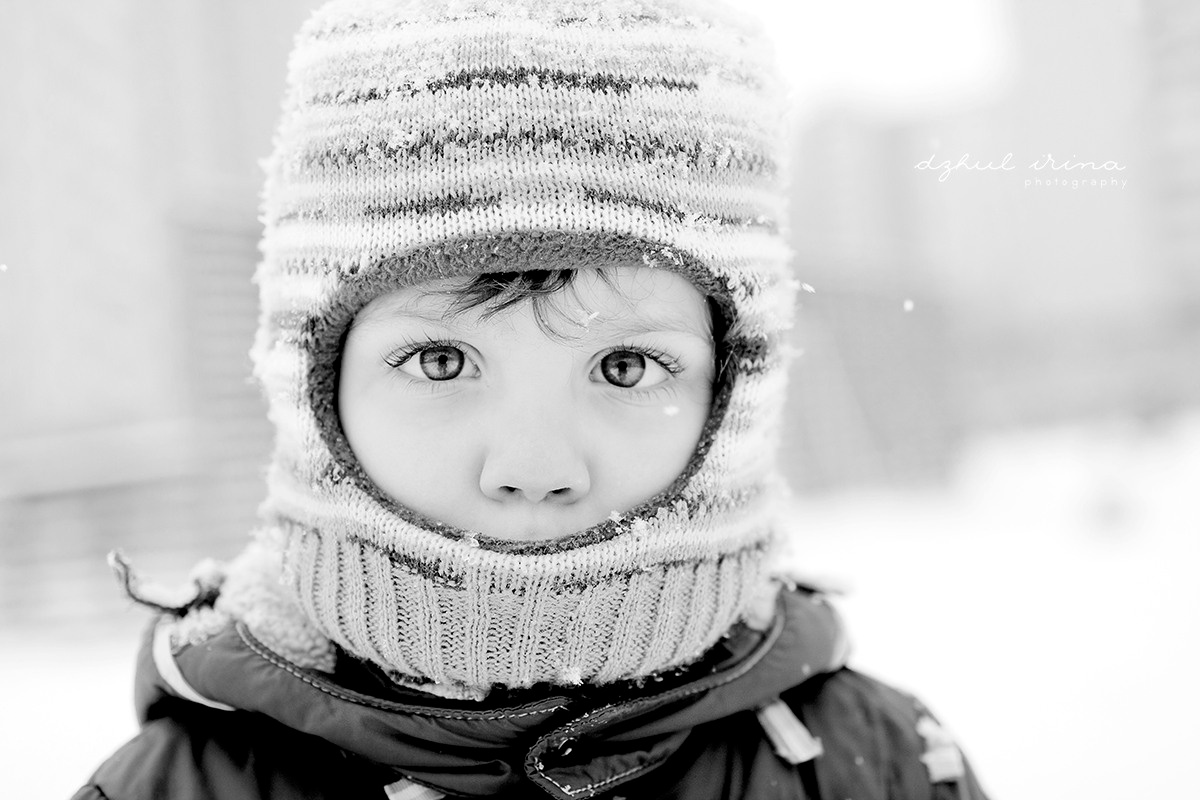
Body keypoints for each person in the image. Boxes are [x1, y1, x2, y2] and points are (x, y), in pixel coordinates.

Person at [74, 0, 989, 797]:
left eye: (626, 368)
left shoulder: (881, 765)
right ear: (314, 385)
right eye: (440, 361)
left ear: (735, 391)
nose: (534, 468)